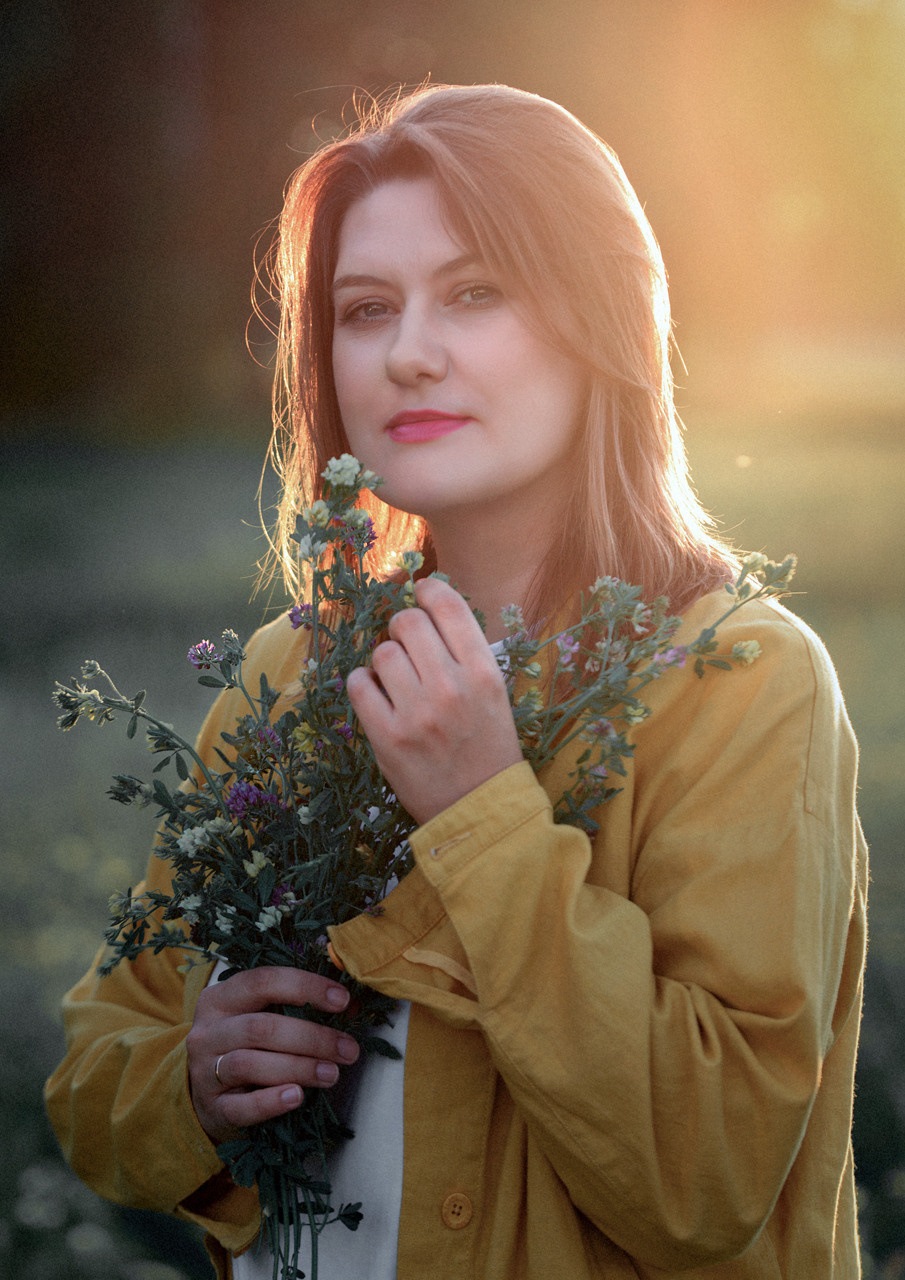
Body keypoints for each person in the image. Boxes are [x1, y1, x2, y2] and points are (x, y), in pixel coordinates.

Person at [46, 83, 867, 1279]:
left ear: (602, 317)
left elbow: (709, 1174)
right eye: (365, 308)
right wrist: (194, 1084)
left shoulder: (739, 679)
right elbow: (91, 1075)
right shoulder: (292, 670)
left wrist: (481, 812)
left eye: (475, 292)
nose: (409, 351)